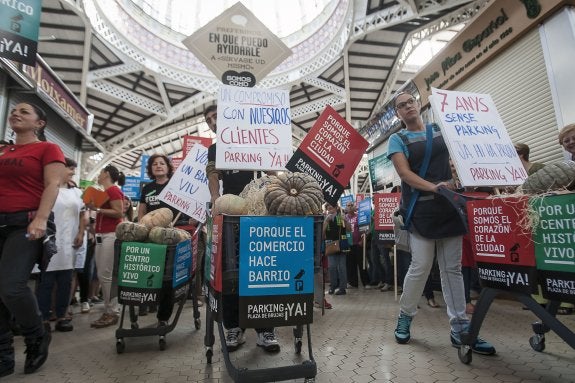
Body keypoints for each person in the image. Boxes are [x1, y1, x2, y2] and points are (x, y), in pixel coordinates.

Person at [387, 91, 495, 355]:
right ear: (398, 114)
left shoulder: (440, 130)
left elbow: (466, 151)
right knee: (420, 266)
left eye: (410, 101)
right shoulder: (397, 139)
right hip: (421, 212)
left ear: (418, 104)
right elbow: (405, 174)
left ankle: (461, 328)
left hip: (449, 208)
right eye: (401, 106)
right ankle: (406, 315)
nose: (407, 107)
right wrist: (435, 188)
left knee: (452, 269)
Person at [204, 105, 280, 352]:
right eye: (208, 119)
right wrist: (216, 201)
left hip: (259, 213)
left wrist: (279, 191)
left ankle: (265, 329)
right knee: (231, 273)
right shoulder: (215, 149)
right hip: (232, 213)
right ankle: (234, 327)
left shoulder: (255, 137)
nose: (213, 121)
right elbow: (213, 176)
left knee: (262, 270)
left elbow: (271, 172)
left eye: (215, 115)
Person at [0, 102, 65, 376]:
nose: (16, 113)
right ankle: (3, 355)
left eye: (25, 112)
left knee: (11, 287)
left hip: (25, 223)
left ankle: (36, 334)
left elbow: (53, 184)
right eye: (14, 110)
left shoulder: (47, 149)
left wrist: (40, 218)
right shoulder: (3, 151)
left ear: (40, 123)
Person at [137, 154, 189, 326]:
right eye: (154, 164)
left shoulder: (175, 186)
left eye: (162, 163)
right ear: (150, 169)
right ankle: (146, 301)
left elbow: (185, 206)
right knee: (149, 272)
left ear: (168, 167)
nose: (158, 166)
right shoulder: (147, 188)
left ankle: (163, 317)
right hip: (152, 238)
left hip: (171, 237)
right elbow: (142, 212)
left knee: (167, 278)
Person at [35, 158, 86, 333]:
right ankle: (43, 318)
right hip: (48, 240)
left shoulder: (77, 193)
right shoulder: (46, 189)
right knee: (46, 281)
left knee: (65, 280)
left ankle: (62, 316)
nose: (72, 172)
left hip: (69, 242)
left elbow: (83, 215)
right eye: (69, 168)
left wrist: (80, 233)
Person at [86, 165, 125, 328]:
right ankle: (109, 309)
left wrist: (98, 209)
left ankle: (112, 311)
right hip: (102, 236)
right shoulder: (105, 193)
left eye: (101, 172)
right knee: (103, 274)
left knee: (106, 274)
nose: (99, 175)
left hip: (110, 235)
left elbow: (119, 212)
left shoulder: (113, 191)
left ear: (106, 174)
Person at [323, 202, 350, 296]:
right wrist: (326, 222)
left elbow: (349, 230)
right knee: (332, 267)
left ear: (336, 208)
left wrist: (345, 221)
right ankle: (333, 286)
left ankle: (342, 288)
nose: (330, 210)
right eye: (328, 208)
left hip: (342, 244)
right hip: (330, 245)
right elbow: (322, 234)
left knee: (342, 267)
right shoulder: (326, 218)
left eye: (331, 208)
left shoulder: (341, 216)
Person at [344, 201, 370, 289]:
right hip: (348, 244)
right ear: (346, 208)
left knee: (362, 263)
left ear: (354, 207)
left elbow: (364, 229)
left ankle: (366, 282)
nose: (350, 207)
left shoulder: (359, 216)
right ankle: (352, 283)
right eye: (348, 205)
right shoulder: (344, 218)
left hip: (358, 244)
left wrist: (362, 240)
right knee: (350, 264)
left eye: (351, 205)